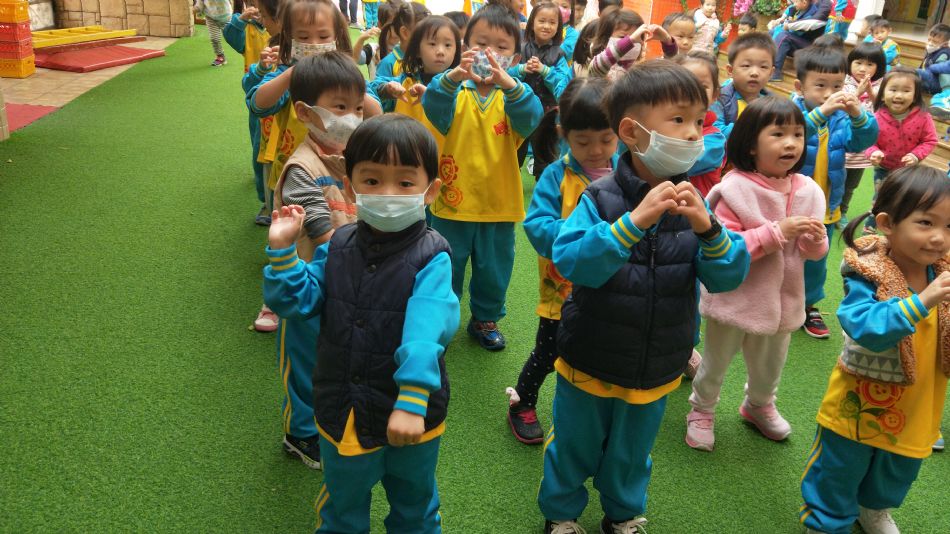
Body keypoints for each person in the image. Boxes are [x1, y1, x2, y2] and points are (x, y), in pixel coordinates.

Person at [537, 61, 750, 534]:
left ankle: (622, 514)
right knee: (574, 445)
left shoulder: (694, 202)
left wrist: (709, 230)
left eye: (698, 120)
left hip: (657, 363)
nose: (694, 133)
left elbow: (728, 275)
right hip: (591, 356)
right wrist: (631, 224)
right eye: (679, 120)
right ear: (632, 132)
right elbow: (571, 260)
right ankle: (561, 514)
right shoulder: (600, 196)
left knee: (632, 453)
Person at [263, 114, 461, 533]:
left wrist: (412, 397)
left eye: (405, 183)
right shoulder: (338, 246)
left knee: (415, 507)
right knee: (342, 507)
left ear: (430, 191)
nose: (388, 194)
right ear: (350, 187)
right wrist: (283, 254)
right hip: (344, 408)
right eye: (371, 180)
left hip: (412, 412)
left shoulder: (433, 256)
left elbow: (427, 328)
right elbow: (298, 301)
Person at [799, 166, 950, 534]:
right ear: (887, 224)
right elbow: (864, 326)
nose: (939, 238)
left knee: (898, 468)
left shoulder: (941, 273)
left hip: (917, 405)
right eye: (926, 223)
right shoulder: (868, 271)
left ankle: (873, 508)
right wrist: (923, 301)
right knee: (839, 468)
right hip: (860, 403)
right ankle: (827, 521)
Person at [685, 96, 829, 452]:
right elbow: (725, 247)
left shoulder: (809, 190)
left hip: (782, 302)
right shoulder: (734, 189)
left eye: (797, 134)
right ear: (751, 144)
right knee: (716, 361)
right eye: (778, 134)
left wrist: (816, 240)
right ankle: (702, 409)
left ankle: (759, 404)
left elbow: (813, 253)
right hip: (735, 297)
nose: (791, 143)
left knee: (770, 365)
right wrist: (777, 232)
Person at [421, 4, 543, 351]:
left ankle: (485, 318)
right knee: (446, 265)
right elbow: (433, 104)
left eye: (501, 47)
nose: (490, 54)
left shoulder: (513, 97)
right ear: (465, 48)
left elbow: (532, 116)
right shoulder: (455, 93)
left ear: (515, 58)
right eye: (481, 44)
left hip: (498, 205)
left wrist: (511, 84)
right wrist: (454, 76)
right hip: (452, 204)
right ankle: (441, 317)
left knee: (494, 270)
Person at [505, 78, 618, 444]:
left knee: (599, 351)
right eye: (583, 142)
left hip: (612, 287)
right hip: (563, 289)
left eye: (606, 139)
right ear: (563, 134)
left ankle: (591, 413)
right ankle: (522, 401)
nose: (596, 150)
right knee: (548, 351)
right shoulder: (557, 175)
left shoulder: (627, 171)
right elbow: (537, 226)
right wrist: (581, 237)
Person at [268, 52, 364, 469]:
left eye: (357, 107)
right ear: (305, 112)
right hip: (309, 285)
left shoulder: (353, 156)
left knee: (337, 355)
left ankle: (329, 415)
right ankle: (300, 432)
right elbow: (323, 231)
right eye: (340, 107)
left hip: (346, 281)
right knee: (306, 360)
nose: (352, 117)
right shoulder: (301, 169)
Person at [791, 45, 878, 339]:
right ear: (800, 87)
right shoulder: (790, 112)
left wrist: (858, 115)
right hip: (790, 206)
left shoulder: (840, 118)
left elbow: (862, 141)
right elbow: (790, 134)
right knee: (782, 255)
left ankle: (808, 306)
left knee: (816, 261)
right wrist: (820, 113)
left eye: (837, 86)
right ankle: (774, 298)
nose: (829, 94)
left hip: (826, 206)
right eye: (820, 86)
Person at [864, 68, 938, 230]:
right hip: (884, 169)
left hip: (909, 171)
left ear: (915, 96)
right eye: (893, 90)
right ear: (882, 94)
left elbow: (930, 140)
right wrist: (873, 152)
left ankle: (899, 232)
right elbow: (868, 141)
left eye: (906, 91)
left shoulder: (923, 117)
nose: (898, 95)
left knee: (905, 202)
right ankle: (869, 231)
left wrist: (916, 155)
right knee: (880, 200)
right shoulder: (876, 117)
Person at [224, 0, 277, 225]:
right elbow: (230, 36)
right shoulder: (247, 28)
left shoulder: (294, 39)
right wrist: (240, 19)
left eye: (262, 11)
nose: (257, 13)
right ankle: (266, 200)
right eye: (253, 6)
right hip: (259, 100)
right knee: (260, 151)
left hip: (283, 108)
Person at [512, 1, 573, 178]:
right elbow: (506, 74)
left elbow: (562, 84)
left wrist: (545, 70)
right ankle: (510, 187)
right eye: (542, 21)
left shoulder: (559, 54)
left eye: (552, 22)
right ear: (532, 23)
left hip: (547, 113)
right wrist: (521, 69)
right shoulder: (520, 49)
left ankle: (544, 189)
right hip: (520, 111)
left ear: (558, 27)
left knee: (544, 158)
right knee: (514, 154)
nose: (546, 26)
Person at [839, 41, 885, 230]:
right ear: (850, 63)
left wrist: (871, 93)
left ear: (878, 67)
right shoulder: (843, 82)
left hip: (862, 150)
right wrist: (858, 93)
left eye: (869, 64)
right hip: (842, 143)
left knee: (851, 184)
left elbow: (883, 110)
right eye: (858, 63)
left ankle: (842, 211)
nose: (863, 68)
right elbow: (840, 109)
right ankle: (829, 209)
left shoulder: (882, 86)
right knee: (834, 180)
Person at [675, 51, 726, 198]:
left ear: (715, 95)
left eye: (702, 86)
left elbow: (681, 164)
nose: (693, 91)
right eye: (684, 84)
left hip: (696, 207)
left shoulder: (715, 140)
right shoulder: (663, 125)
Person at [713, 32, 776, 138]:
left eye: (763, 67)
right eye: (746, 65)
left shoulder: (773, 102)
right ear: (730, 70)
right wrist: (753, 124)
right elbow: (715, 132)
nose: (755, 73)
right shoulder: (719, 98)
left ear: (771, 73)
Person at [373, 1, 431, 111]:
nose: (429, 41)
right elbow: (377, 97)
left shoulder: (426, 61)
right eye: (423, 34)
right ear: (405, 33)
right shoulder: (389, 63)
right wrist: (389, 90)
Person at [770, 0, 832, 81]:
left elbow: (815, 22)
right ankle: (765, 64)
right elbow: (791, 13)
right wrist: (780, 22)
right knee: (772, 32)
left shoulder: (825, 3)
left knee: (783, 36)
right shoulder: (807, 2)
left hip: (813, 46)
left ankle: (775, 72)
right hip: (799, 40)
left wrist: (789, 25)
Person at [919, 23, 950, 119]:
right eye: (929, 40)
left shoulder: (944, 53)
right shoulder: (931, 51)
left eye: (935, 42)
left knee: (916, 72)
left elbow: (943, 69)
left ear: (945, 43)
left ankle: (942, 102)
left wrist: (931, 68)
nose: (930, 43)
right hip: (929, 82)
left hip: (938, 84)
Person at [194, 0, 233, 66]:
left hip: (226, 16)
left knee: (232, 37)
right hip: (211, 18)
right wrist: (192, 10)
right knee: (214, 38)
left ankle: (247, 50)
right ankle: (220, 56)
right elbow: (199, 6)